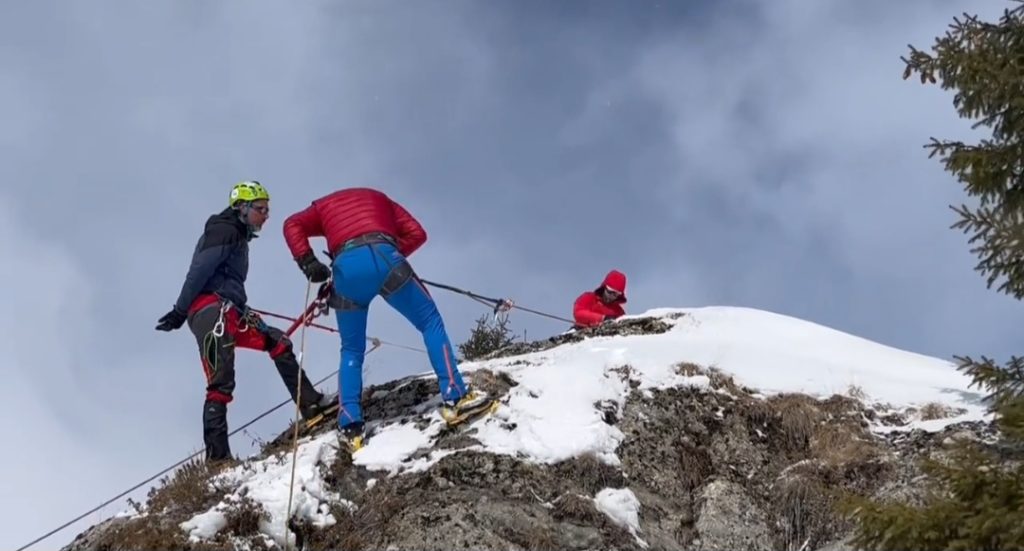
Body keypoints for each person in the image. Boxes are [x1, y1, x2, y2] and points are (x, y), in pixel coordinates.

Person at [282, 187, 492, 449]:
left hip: (345, 269)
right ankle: (457, 396)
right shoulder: (380, 199)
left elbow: (292, 224)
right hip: (385, 256)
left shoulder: (322, 207)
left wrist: (308, 261)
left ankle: (350, 425)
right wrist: (393, 258)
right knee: (429, 322)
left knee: (351, 349)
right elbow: (417, 233)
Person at [155, 181, 336, 462]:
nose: (266, 215)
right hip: (211, 311)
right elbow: (199, 271)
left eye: (267, 209)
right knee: (221, 381)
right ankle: (217, 460)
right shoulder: (223, 230)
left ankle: (311, 404)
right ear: (242, 207)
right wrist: (179, 311)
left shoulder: (236, 235)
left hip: (231, 309)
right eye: (261, 209)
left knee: (277, 341)